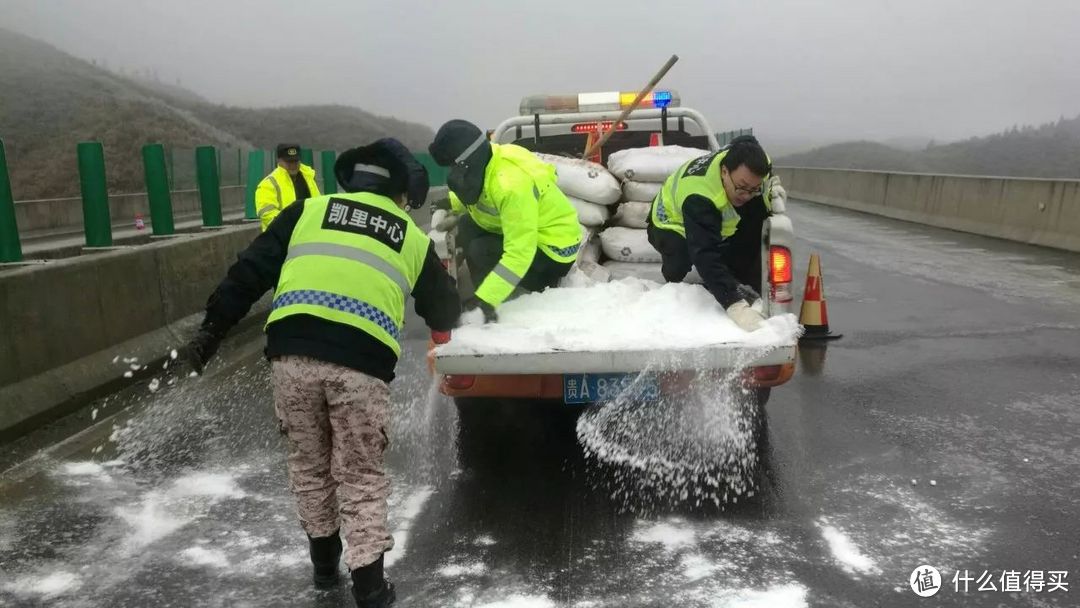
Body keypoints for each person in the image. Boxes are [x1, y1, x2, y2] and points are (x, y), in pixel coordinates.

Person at [183, 138, 460, 608]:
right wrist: (443, 324)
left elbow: (248, 272)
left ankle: (325, 570)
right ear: (398, 194)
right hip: (361, 362)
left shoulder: (307, 212)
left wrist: (210, 333)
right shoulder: (410, 236)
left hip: (290, 355)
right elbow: (443, 306)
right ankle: (371, 588)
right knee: (359, 472)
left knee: (310, 466)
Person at [428, 119, 581, 321]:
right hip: (537, 235)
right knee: (466, 225)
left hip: (553, 253)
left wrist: (486, 298)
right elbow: (483, 192)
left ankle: (497, 308)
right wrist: (450, 202)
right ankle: (490, 293)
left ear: (466, 163)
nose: (452, 173)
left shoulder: (511, 186)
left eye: (453, 167)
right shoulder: (489, 160)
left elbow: (519, 252)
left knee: (480, 249)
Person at [647, 135, 787, 332]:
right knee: (681, 258)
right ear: (724, 172)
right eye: (742, 187)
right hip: (670, 223)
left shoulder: (757, 165)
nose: (746, 195)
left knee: (756, 216)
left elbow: (750, 144)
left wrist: (771, 188)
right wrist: (734, 305)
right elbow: (704, 252)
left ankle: (738, 279)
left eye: (753, 189)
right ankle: (682, 282)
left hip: (712, 212)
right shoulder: (700, 195)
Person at [256, 143, 322, 231]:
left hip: (309, 233)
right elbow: (266, 214)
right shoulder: (268, 184)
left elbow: (318, 204)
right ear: (279, 161)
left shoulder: (308, 176)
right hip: (282, 238)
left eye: (295, 161)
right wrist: (290, 226)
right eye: (289, 162)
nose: (293, 165)